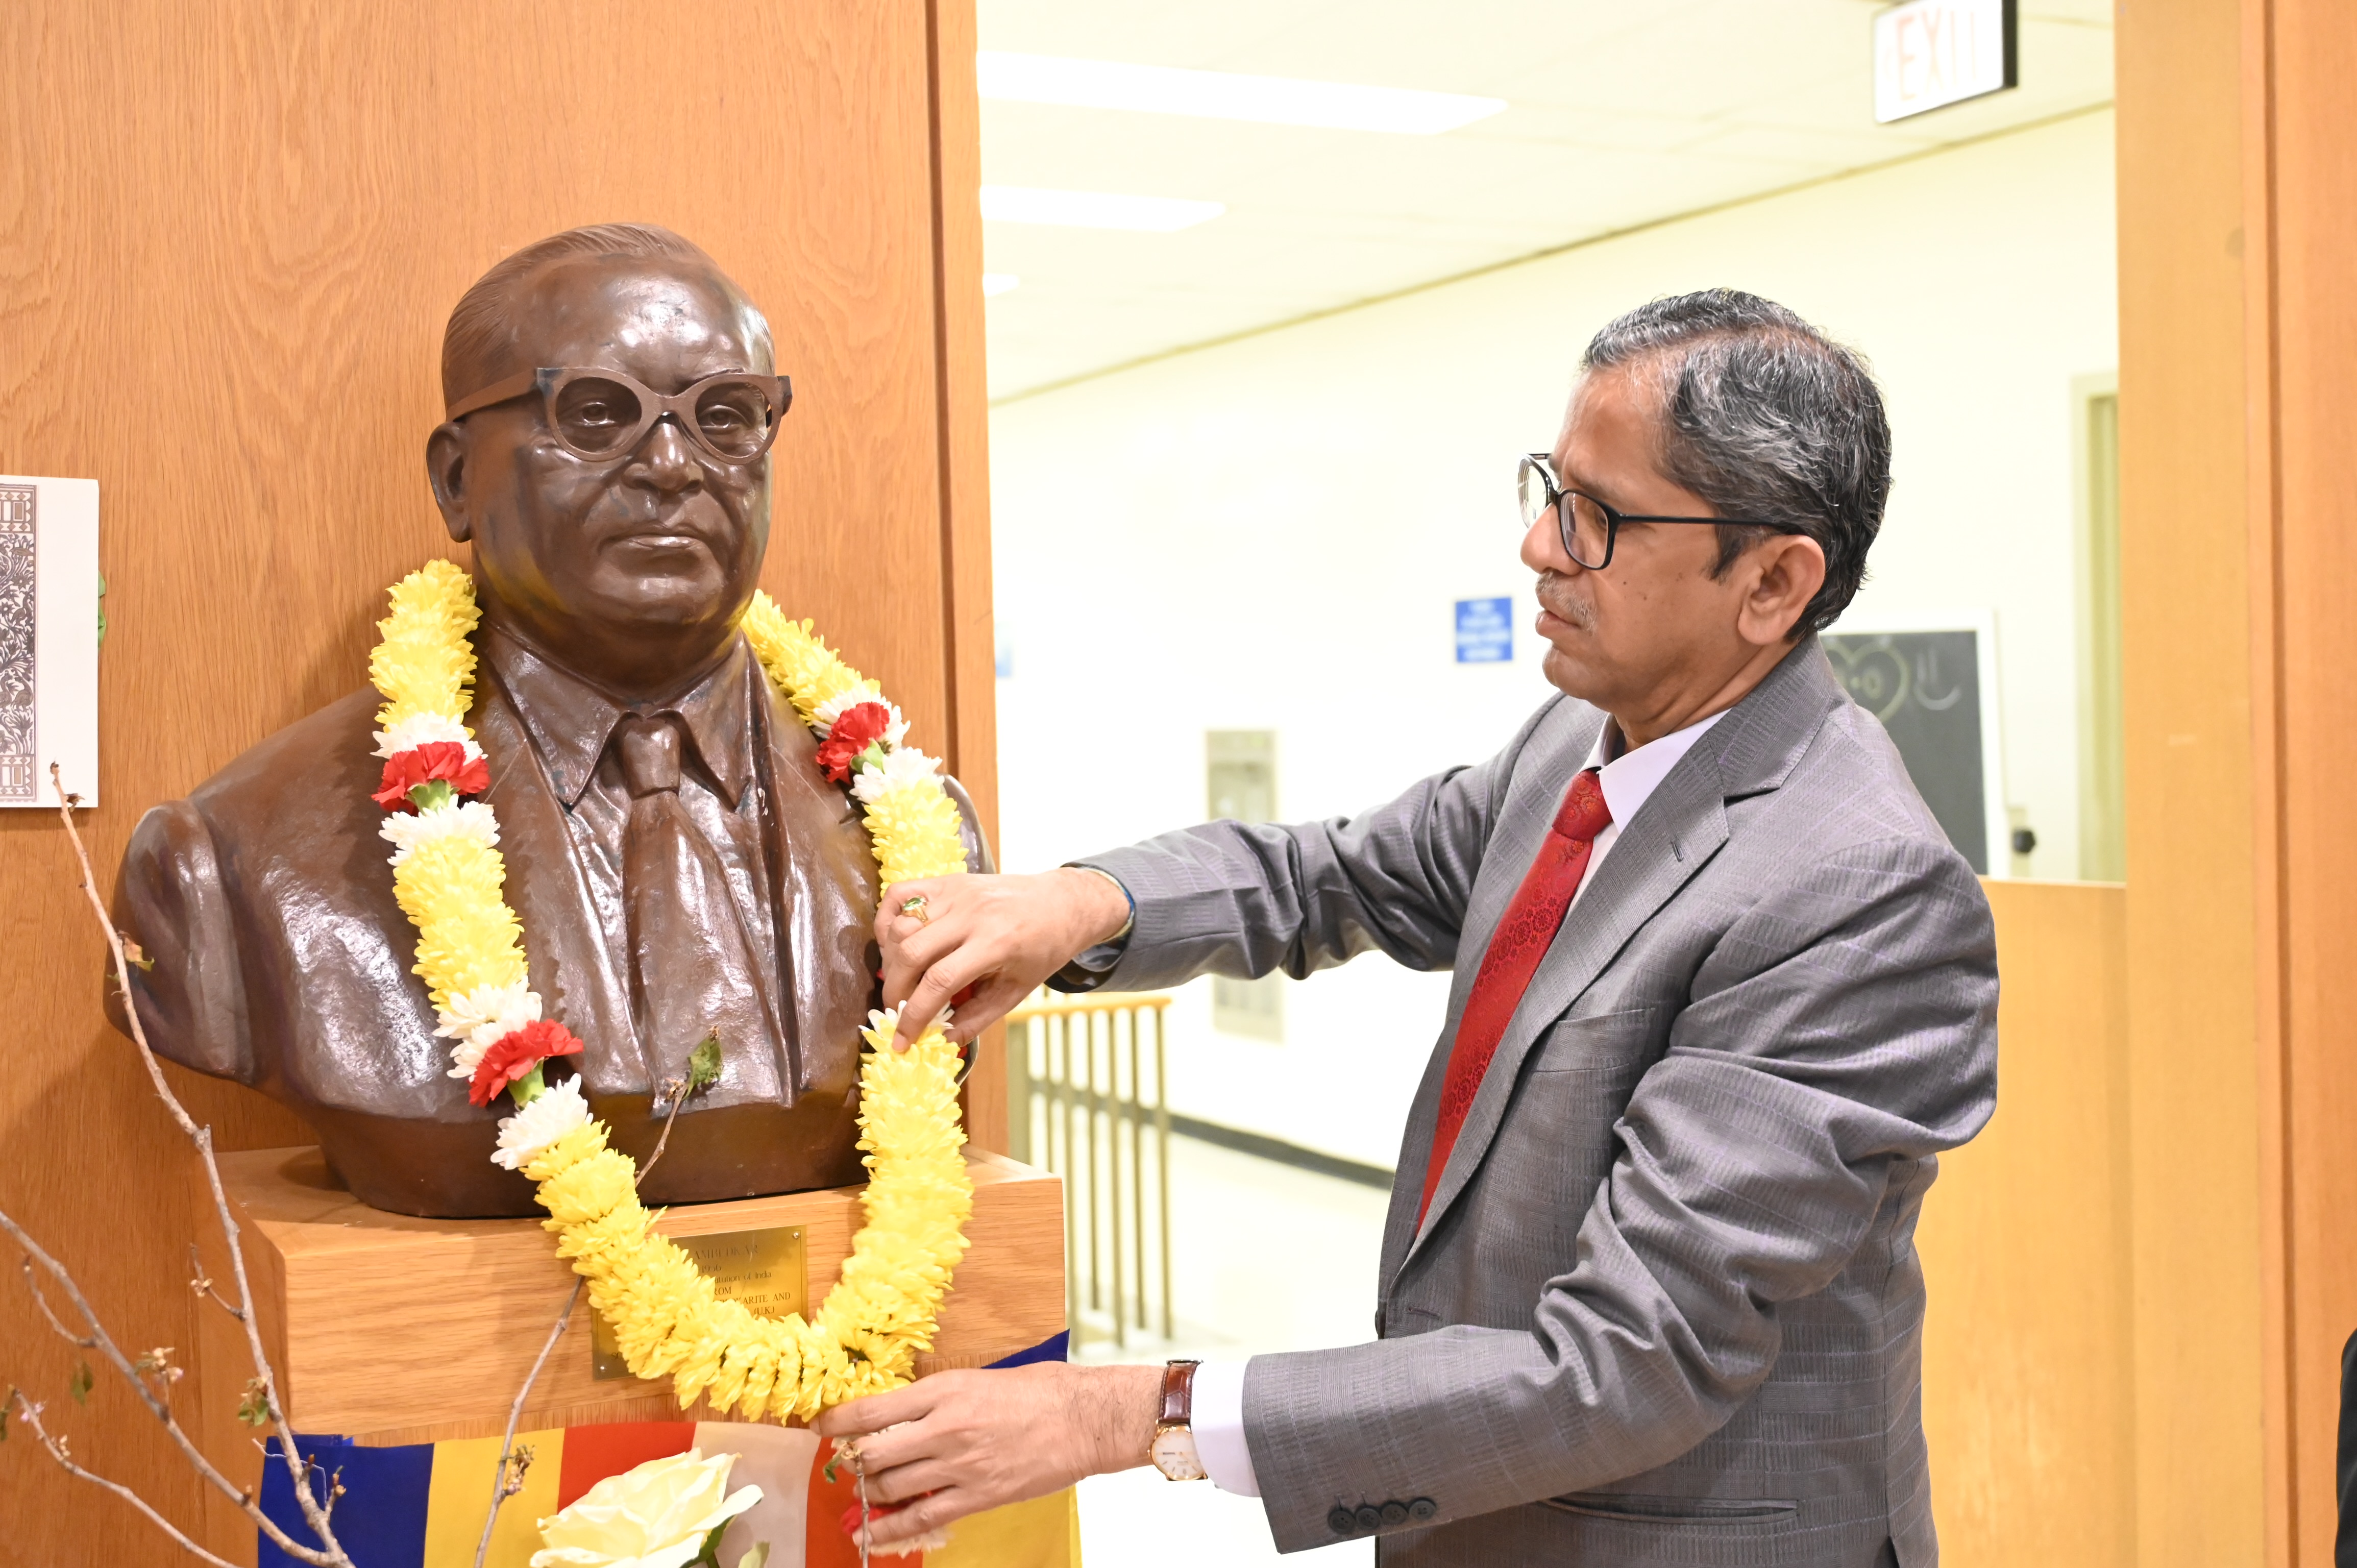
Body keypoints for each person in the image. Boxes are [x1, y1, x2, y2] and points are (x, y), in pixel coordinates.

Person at [815, 290, 1998, 1566]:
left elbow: (1623, 1364)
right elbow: (1335, 875)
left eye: (1597, 518)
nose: (1541, 547)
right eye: (1551, 486)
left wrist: (1122, 1411)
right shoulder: (1579, 744)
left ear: (1771, 582)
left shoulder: (1851, 887)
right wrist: (1077, 904)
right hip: (1478, 1514)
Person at [113, 225, 984, 1217]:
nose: (670, 464)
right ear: (453, 479)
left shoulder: (917, 841)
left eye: (726, 417)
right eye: (597, 413)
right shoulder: (233, 863)